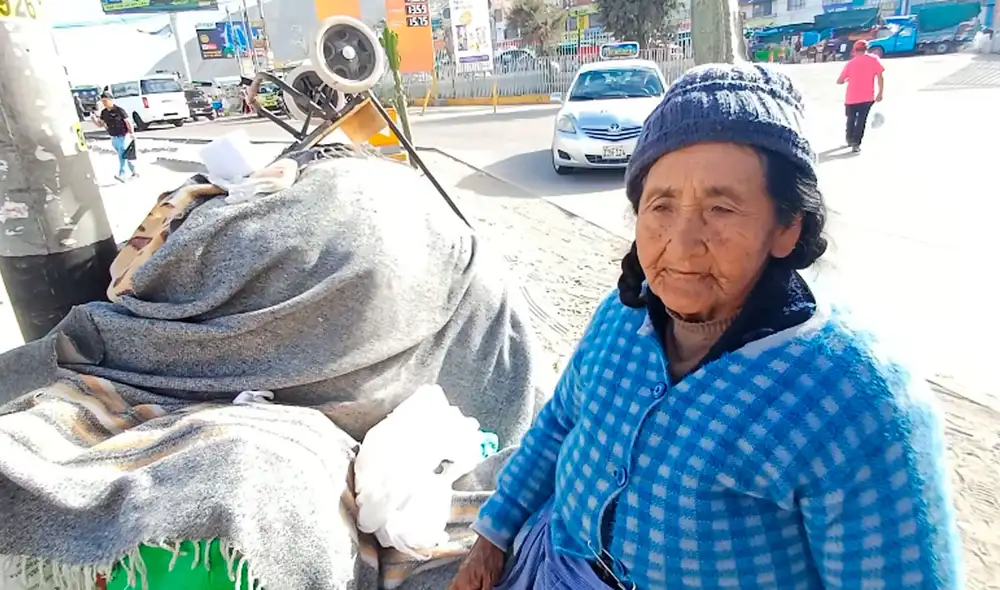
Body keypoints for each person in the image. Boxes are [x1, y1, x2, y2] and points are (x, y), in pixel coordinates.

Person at [450, 64, 961, 590]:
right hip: (552, 563)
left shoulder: (858, 399)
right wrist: (492, 539)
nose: (682, 244)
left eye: (720, 208)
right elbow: (559, 423)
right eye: (661, 206)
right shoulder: (623, 315)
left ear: (788, 227)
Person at [837, 39, 884, 153]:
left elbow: (839, 81)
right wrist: (880, 92)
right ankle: (856, 144)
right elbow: (880, 77)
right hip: (867, 97)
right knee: (861, 121)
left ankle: (849, 139)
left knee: (851, 119)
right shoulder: (874, 60)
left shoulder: (851, 63)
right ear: (867, 49)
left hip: (851, 97)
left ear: (854, 50)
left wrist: (847, 80)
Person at [94, 91, 137, 182]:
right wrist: (94, 119)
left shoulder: (119, 110)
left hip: (123, 136)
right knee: (124, 155)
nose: (104, 103)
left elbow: (128, 122)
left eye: (105, 101)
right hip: (113, 137)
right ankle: (135, 171)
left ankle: (122, 174)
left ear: (110, 100)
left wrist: (132, 133)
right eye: (102, 101)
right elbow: (100, 124)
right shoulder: (104, 112)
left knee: (122, 155)